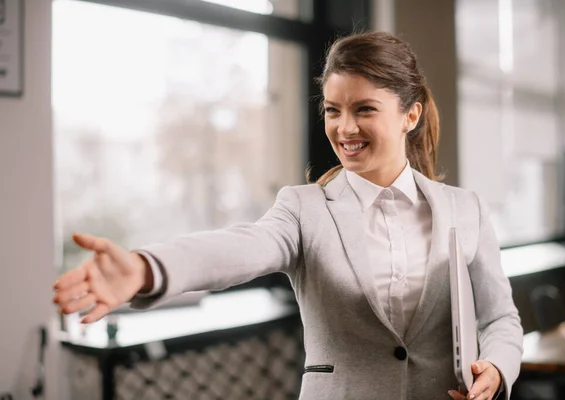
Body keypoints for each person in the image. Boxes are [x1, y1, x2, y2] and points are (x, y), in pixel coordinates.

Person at [53, 31, 523, 400]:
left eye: (365, 110)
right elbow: (237, 248)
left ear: (410, 115)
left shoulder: (466, 209)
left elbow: (501, 318)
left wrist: (497, 368)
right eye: (333, 110)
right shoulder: (303, 208)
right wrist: (145, 268)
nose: (344, 128)